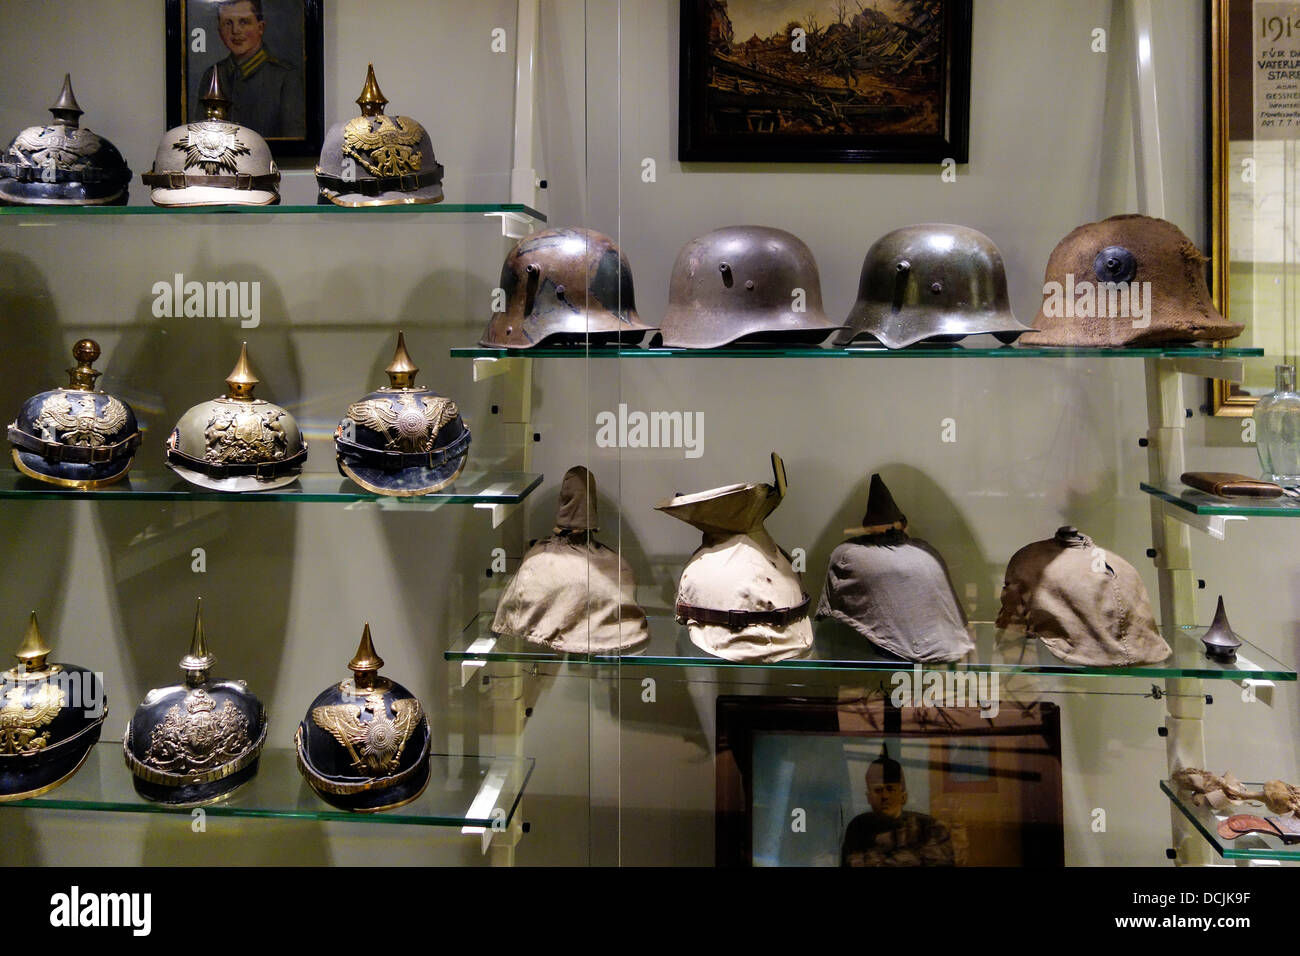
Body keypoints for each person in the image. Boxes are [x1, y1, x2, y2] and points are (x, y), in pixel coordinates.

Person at [191, 0, 305, 138]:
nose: (235, 31)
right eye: (228, 23)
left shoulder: (285, 77)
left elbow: (293, 139)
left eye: (244, 22)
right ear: (220, 32)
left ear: (260, 27)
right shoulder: (213, 74)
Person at [841, 744, 955, 866]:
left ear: (903, 796)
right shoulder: (858, 829)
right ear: (868, 797)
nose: (885, 796)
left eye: (890, 789)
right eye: (878, 790)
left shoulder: (929, 829)